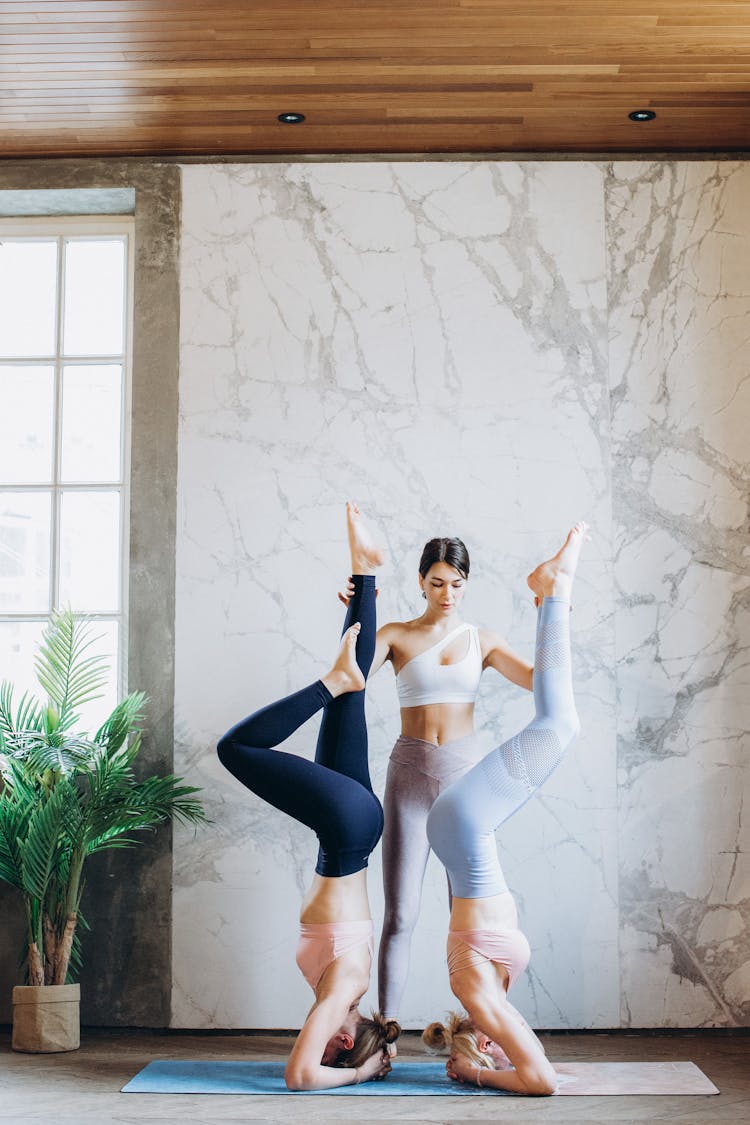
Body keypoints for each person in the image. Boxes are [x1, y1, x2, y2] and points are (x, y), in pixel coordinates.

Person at [217, 502, 399, 1090]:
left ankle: (365, 574)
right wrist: (361, 1073)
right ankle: (332, 677)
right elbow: (298, 1078)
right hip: (347, 834)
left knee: (353, 690)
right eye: (329, 1047)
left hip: (348, 831)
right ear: (342, 1041)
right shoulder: (345, 990)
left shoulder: (339, 988)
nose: (313, 1039)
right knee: (238, 748)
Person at [341, 534, 534, 1024]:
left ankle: (481, 1027)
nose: (447, 593)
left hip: (465, 784)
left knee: (468, 919)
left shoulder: (482, 641)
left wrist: (554, 608)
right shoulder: (397, 635)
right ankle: (385, 1028)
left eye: (457, 583)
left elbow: (538, 678)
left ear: (466, 585)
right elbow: (351, 669)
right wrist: (355, 612)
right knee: (400, 915)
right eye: (437, 583)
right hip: (409, 777)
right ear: (422, 583)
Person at [422, 523, 586, 1095]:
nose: (501, 1047)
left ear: (480, 1042)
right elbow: (545, 1069)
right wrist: (499, 1062)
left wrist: (472, 1071)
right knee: (559, 721)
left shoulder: (477, 1000)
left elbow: (539, 1081)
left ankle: (555, 590)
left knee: (559, 724)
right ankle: (549, 597)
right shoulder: (488, 1005)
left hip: (461, 826)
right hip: (465, 830)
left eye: (490, 1050)